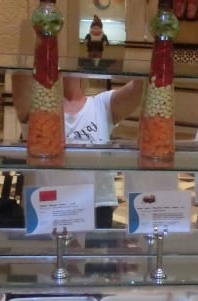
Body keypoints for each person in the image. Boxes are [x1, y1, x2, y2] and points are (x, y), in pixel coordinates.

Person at [12, 73, 143, 228]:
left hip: (96, 207)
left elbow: (140, 85)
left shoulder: (101, 104)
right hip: (48, 205)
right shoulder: (38, 105)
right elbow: (20, 73)